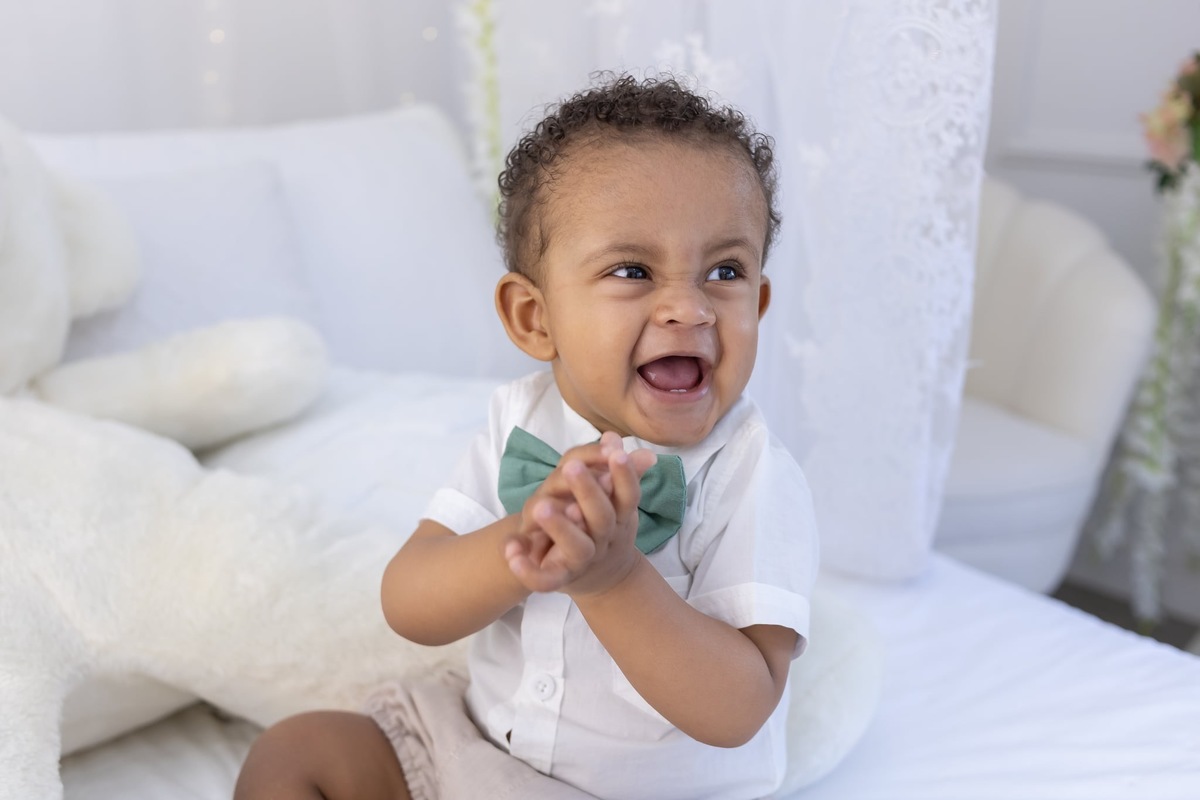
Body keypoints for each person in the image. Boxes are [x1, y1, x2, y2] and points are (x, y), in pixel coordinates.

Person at [234, 73, 818, 800]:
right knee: (298, 751)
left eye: (724, 271)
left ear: (758, 305)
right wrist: (522, 544)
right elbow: (410, 604)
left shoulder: (751, 471)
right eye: (633, 270)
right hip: (475, 743)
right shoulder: (519, 419)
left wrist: (614, 580)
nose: (688, 307)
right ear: (534, 318)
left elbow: (741, 707)